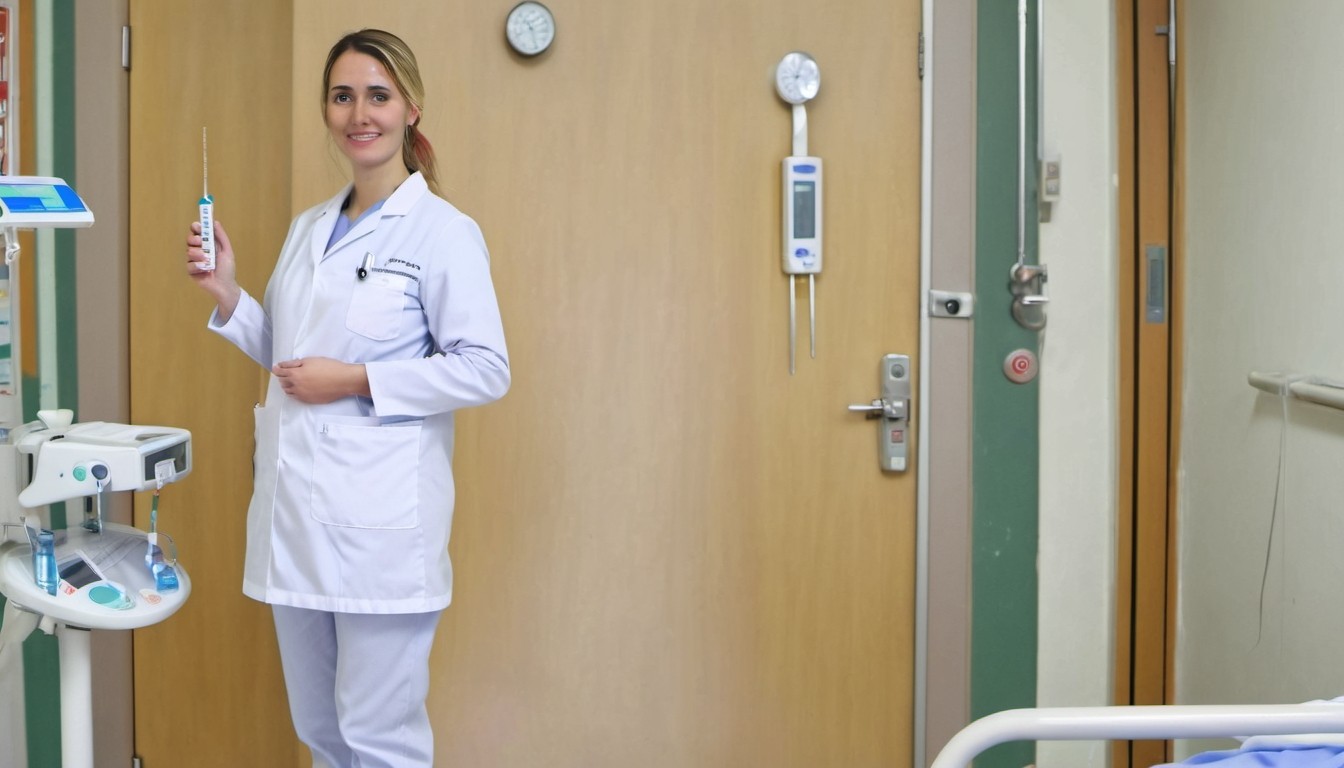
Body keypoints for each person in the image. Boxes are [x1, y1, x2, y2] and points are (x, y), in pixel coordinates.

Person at [184, 28, 509, 768]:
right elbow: (293, 363)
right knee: (321, 732)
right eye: (342, 96)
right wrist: (228, 293)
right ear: (327, 110)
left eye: (377, 95)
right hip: (295, 518)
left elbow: (487, 368)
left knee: (378, 739)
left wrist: (359, 379)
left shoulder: (442, 232)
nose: (359, 112)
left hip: (380, 530)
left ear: (410, 109)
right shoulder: (308, 229)